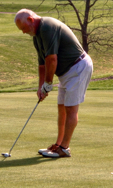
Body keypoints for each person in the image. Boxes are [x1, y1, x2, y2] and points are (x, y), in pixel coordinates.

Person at [14, 9, 93, 158]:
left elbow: (52, 59)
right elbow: (42, 64)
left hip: (78, 67)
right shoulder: (36, 36)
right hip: (67, 73)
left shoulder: (47, 27)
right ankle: (58, 144)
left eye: (24, 28)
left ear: (31, 20)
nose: (24, 32)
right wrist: (41, 87)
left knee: (70, 109)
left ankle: (64, 148)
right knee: (61, 108)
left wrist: (48, 84)